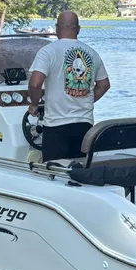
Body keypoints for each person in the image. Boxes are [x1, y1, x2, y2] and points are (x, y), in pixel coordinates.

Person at [27, 11, 111, 162]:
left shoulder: (48, 52)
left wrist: (34, 104)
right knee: (79, 172)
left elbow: (35, 83)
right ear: (78, 29)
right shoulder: (92, 53)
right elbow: (104, 85)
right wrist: (85, 99)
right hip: (84, 126)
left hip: (56, 126)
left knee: (54, 173)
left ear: (57, 28)